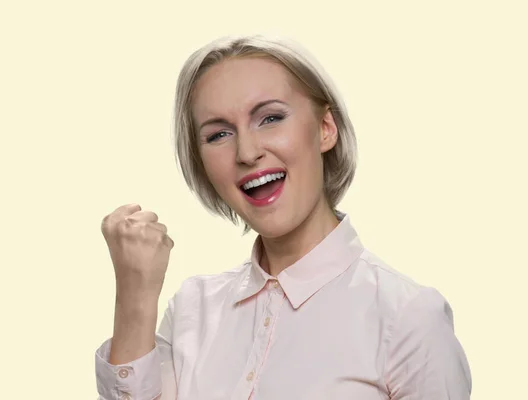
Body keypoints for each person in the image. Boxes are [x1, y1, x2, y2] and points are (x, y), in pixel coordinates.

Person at [94, 35, 472, 400]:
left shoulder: (408, 317)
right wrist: (135, 293)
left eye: (271, 118)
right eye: (219, 134)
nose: (247, 151)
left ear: (325, 129)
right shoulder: (193, 309)